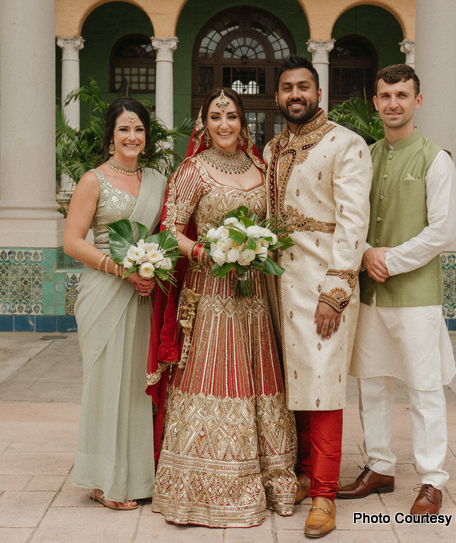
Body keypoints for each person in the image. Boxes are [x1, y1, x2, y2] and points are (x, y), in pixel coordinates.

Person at [149, 88, 297, 528]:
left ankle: (272, 478)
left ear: (243, 121)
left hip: (255, 296)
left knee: (259, 378)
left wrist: (259, 249)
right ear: (204, 124)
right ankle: (203, 487)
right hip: (212, 296)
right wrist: (206, 254)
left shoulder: (260, 167)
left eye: (231, 115)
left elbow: (275, 224)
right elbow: (169, 231)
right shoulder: (193, 170)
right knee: (218, 377)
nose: (225, 124)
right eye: (216, 116)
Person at [337, 64, 456, 516]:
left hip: (417, 296)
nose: (393, 103)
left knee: (425, 389)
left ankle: (431, 479)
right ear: (375, 102)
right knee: (372, 383)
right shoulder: (365, 157)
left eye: (402, 95)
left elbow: (442, 231)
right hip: (370, 293)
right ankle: (380, 466)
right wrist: (367, 251)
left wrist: (389, 259)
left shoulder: (435, 158)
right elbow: (349, 216)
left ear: (417, 101)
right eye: (385, 95)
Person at [264, 55, 372, 538]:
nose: (295, 95)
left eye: (303, 86)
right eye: (287, 87)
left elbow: (354, 222)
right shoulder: (272, 149)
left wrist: (336, 290)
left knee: (324, 385)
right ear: (277, 96)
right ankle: (305, 475)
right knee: (294, 385)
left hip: (324, 288)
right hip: (276, 286)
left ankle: (325, 495)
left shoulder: (346, 144)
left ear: (319, 93)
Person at [64, 97, 167, 511]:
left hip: (146, 293)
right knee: (107, 385)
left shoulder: (158, 180)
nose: (132, 136)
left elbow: (167, 234)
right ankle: (103, 481)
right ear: (110, 136)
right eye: (124, 128)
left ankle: (139, 477)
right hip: (106, 291)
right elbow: (72, 242)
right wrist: (120, 269)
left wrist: (151, 271)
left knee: (138, 387)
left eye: (139, 128)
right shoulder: (94, 179)